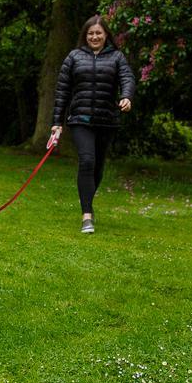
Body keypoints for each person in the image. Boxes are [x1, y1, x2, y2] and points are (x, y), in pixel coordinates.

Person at [50, 15, 136, 234]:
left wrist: (126, 96)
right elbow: (62, 92)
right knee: (87, 161)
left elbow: (127, 78)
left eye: (98, 33)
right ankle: (86, 216)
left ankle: (87, 201)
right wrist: (57, 123)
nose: (95, 37)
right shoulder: (74, 57)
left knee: (97, 167)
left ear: (106, 35)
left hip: (107, 120)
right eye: (91, 33)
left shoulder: (117, 57)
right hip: (80, 119)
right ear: (85, 35)